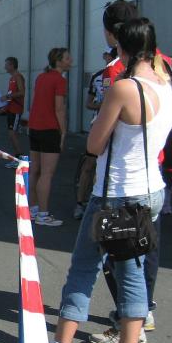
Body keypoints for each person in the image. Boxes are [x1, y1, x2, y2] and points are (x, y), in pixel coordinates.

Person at [51, 18, 172, 343]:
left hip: (116, 194)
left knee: (83, 268)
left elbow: (94, 144)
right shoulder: (166, 85)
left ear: (122, 47)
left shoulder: (124, 88)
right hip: (151, 190)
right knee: (132, 272)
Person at [28, 48, 72, 226]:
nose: (70, 61)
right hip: (49, 129)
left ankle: (33, 210)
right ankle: (43, 214)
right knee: (46, 174)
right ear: (58, 61)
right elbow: (59, 108)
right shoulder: (60, 80)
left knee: (35, 171)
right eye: (67, 58)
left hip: (34, 128)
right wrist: (63, 132)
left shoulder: (41, 77)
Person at [74, 49, 116, 219]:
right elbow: (88, 103)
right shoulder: (98, 77)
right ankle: (80, 203)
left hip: (118, 130)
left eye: (113, 56)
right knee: (89, 165)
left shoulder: (126, 76)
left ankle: (101, 206)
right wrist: (105, 106)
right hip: (99, 126)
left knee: (109, 169)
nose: (110, 59)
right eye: (108, 56)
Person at [0, 57, 25, 168]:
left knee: (12, 134)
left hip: (16, 110)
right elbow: (11, 96)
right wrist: (4, 107)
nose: (4, 67)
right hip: (11, 109)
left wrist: (7, 96)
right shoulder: (11, 78)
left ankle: (21, 160)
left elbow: (22, 92)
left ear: (12, 65)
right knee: (12, 134)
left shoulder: (18, 77)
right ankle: (17, 159)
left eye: (6, 65)